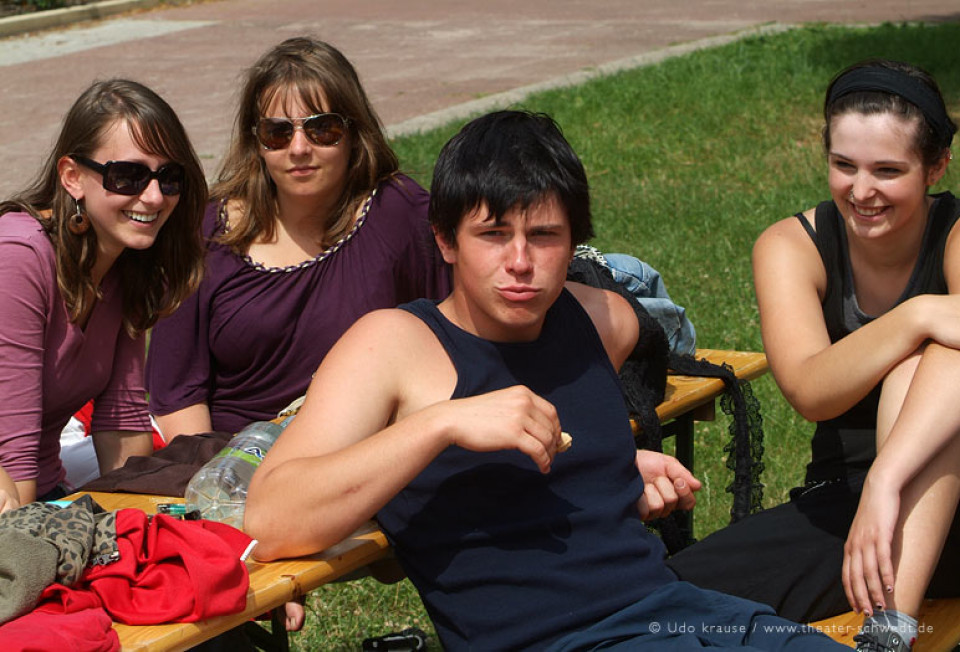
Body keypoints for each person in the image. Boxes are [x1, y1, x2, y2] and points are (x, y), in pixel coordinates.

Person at [245, 110, 846, 650]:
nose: (521, 263)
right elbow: (270, 521)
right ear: (445, 240)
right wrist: (442, 424)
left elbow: (571, 433)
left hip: (677, 611)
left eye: (545, 236)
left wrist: (617, 467)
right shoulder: (394, 346)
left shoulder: (599, 319)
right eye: (493, 235)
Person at [667, 59, 960, 652]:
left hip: (943, 495)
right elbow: (809, 389)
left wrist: (888, 478)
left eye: (888, 170)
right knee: (674, 598)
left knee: (935, 357)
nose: (861, 190)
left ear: (935, 167)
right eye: (843, 165)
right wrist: (917, 314)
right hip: (848, 508)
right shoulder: (789, 245)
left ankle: (889, 631)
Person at [145, 36, 450, 438]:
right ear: (257, 142)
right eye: (278, 133)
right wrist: (218, 484)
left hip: (365, 459)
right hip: (233, 464)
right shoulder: (203, 230)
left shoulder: (400, 213)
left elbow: (450, 341)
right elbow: (177, 393)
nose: (299, 148)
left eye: (323, 129)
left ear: (353, 131)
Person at [0, 79, 205, 506]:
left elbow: (124, 424)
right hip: (16, 500)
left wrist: (131, 520)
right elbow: (11, 450)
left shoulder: (123, 261)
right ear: (72, 177)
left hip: (44, 489)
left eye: (168, 177)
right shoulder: (19, 256)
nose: (153, 197)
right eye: (128, 176)